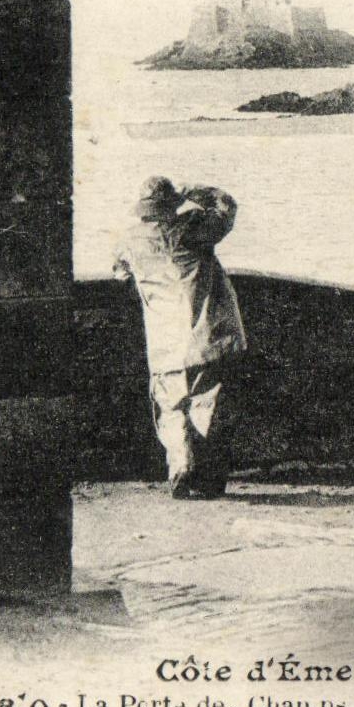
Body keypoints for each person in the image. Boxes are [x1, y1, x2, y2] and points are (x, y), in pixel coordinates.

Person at [113, 176, 246, 499]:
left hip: (164, 341)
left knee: (170, 407)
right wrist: (191, 190)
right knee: (208, 405)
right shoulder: (192, 229)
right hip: (207, 336)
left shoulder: (128, 241)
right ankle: (208, 480)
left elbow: (121, 274)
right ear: (171, 205)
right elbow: (226, 207)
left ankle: (180, 467)